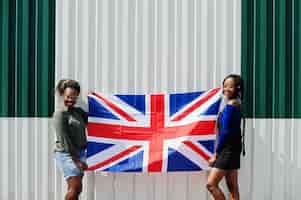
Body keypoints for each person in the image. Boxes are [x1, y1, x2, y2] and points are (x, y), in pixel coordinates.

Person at [206, 74, 244, 200]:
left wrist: (216, 154)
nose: (226, 89)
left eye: (230, 86)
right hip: (234, 150)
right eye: (225, 86)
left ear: (237, 88)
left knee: (211, 184)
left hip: (227, 151)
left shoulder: (231, 106)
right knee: (232, 186)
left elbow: (226, 132)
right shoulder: (237, 104)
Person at [53, 79, 88, 200]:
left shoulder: (78, 112)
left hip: (80, 152)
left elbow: (95, 120)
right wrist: (76, 160)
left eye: (74, 97)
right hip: (67, 154)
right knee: (76, 187)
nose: (70, 100)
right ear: (62, 94)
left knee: (76, 189)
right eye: (68, 96)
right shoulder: (60, 114)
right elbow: (64, 140)